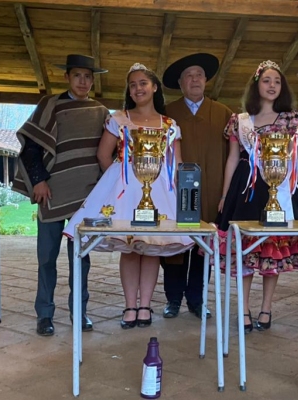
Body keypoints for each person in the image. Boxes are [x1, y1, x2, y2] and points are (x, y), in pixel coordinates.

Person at [63, 63, 191, 330]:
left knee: (152, 247)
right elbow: (103, 155)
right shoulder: (118, 118)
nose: (137, 89)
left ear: (154, 87)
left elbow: (177, 163)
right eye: (132, 85)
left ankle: (145, 305)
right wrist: (119, 179)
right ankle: (130, 305)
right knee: (130, 247)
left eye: (143, 83)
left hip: (159, 189)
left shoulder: (169, 125)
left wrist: (181, 195)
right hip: (125, 189)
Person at [217, 60, 298, 333]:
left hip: (279, 189)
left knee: (270, 250)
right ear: (256, 85)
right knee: (245, 249)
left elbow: (297, 159)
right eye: (266, 80)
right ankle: (243, 309)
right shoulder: (238, 121)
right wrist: (224, 194)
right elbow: (232, 160)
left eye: (277, 81)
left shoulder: (292, 119)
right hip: (246, 189)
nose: (272, 85)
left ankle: (266, 308)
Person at [12, 55, 110, 336]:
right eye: (78, 75)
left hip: (86, 196)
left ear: (93, 80)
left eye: (88, 77)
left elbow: (109, 151)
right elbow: (31, 147)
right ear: (67, 77)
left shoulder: (101, 111)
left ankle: (80, 312)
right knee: (46, 257)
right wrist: (38, 181)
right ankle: (44, 314)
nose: (83, 81)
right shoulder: (50, 105)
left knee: (81, 257)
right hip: (52, 192)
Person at [158, 53, 232, 320]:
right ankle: (173, 298)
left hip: (211, 189)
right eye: (188, 76)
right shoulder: (167, 113)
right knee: (175, 246)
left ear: (206, 80)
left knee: (204, 245)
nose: (195, 79)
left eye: (199, 74)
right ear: (180, 83)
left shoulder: (224, 113)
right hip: (175, 191)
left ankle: (197, 299)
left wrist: (226, 194)